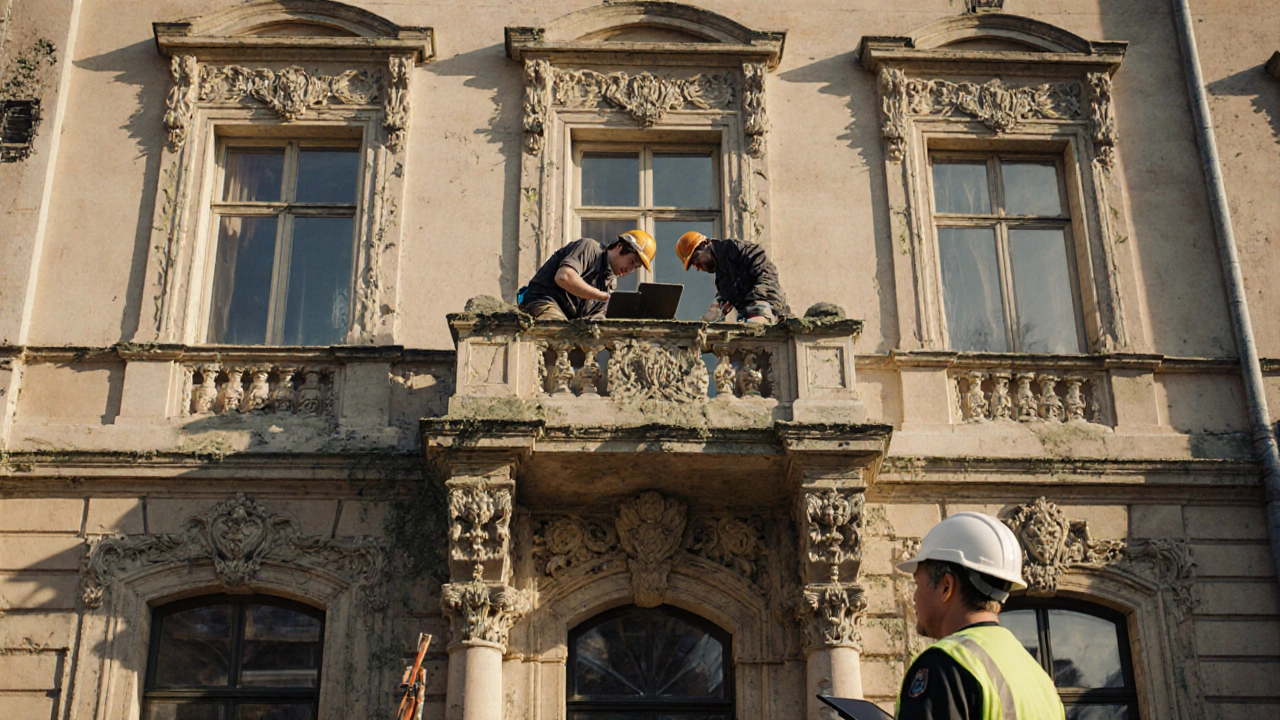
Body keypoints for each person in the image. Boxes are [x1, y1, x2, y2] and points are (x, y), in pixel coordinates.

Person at [893, 512, 1064, 720]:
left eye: (918, 584)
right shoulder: (1040, 681)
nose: (914, 597)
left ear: (946, 586)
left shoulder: (945, 665)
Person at [519, 230, 656, 321]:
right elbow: (564, 277)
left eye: (636, 267)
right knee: (557, 333)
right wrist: (600, 295)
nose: (630, 269)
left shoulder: (610, 282)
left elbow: (593, 316)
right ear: (619, 246)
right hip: (543, 301)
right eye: (631, 261)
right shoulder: (590, 249)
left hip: (569, 318)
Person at [674, 231, 792, 324]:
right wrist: (708, 321)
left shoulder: (736, 249)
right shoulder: (722, 279)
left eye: (696, 259)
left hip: (768, 310)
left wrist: (756, 307)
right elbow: (719, 306)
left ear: (704, 244)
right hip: (749, 314)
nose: (698, 267)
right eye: (694, 264)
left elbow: (766, 276)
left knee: (752, 329)